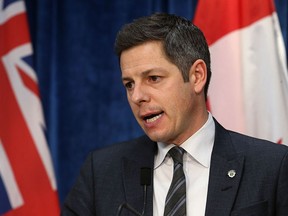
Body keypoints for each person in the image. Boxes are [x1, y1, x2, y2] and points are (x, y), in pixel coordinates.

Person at [61, 13, 288, 216]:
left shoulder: (272, 167)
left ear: (197, 76)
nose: (137, 96)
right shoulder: (101, 172)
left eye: (153, 78)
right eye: (129, 84)